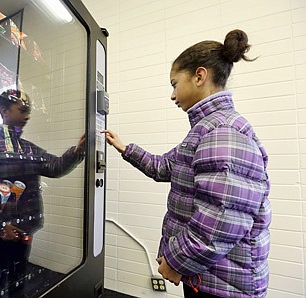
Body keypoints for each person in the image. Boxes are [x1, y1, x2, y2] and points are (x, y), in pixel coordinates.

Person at [103, 29, 271, 298]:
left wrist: (176, 261)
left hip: (222, 285)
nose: (172, 95)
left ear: (199, 76)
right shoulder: (206, 129)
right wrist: (125, 148)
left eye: (174, 84)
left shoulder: (222, 132)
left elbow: (221, 219)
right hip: (206, 275)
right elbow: (165, 167)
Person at [0, 89, 85, 293]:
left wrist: (78, 151)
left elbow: (54, 167)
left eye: (28, 111)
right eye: (22, 110)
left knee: (18, 281)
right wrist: (2, 225)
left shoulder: (28, 148)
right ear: (4, 110)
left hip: (23, 229)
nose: (27, 116)